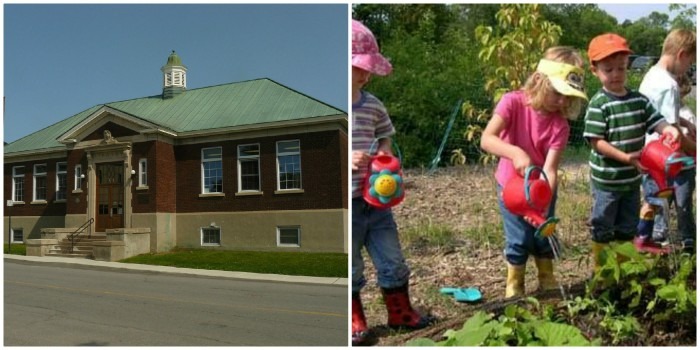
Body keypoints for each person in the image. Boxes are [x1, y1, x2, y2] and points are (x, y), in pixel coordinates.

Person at [350, 19, 435, 346]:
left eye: (368, 69)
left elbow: (384, 135)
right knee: (352, 264)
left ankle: (399, 311)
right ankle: (355, 321)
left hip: (376, 200)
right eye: (358, 67)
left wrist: (384, 155)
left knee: (392, 258)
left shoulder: (372, 105)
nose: (365, 74)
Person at [480, 46, 588, 298]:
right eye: (557, 93)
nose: (562, 102)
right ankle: (514, 285)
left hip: (541, 188)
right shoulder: (512, 103)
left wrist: (544, 201)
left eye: (568, 97)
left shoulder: (559, 124)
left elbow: (550, 168)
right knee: (518, 238)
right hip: (511, 188)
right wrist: (516, 153)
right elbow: (487, 139)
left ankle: (547, 278)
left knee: (543, 233)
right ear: (540, 80)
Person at [583, 33, 680, 269]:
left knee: (627, 224)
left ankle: (623, 267)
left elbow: (656, 120)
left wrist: (668, 129)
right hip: (607, 180)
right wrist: (625, 157)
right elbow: (597, 142)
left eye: (621, 68)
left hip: (631, 178)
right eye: (609, 69)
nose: (616, 75)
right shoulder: (599, 104)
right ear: (595, 71)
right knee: (603, 224)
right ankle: (603, 269)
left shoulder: (639, 100)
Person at [637, 29, 696, 253]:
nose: (688, 68)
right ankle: (646, 241)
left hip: (647, 151)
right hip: (663, 156)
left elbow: (654, 111)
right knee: (657, 199)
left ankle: (647, 239)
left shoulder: (651, 75)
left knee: (651, 198)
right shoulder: (670, 85)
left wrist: (682, 119)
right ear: (682, 55)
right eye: (690, 63)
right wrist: (695, 149)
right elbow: (674, 135)